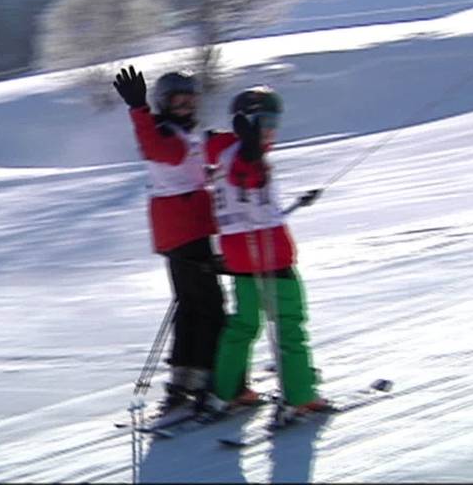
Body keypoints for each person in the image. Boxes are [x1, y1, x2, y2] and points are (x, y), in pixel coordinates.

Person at [199, 85, 327, 418]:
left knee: (243, 324)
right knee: (289, 323)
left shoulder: (224, 153)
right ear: (247, 121)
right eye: (265, 120)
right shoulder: (244, 155)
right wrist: (253, 154)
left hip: (240, 254)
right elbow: (249, 178)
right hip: (267, 253)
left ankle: (226, 390)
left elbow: (248, 202)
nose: (271, 129)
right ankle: (300, 396)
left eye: (275, 121)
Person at [113, 65, 226, 415]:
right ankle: (207, 376)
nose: (186, 107)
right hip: (183, 228)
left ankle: (183, 377)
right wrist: (138, 110)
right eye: (178, 102)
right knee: (210, 307)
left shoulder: (183, 133)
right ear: (164, 104)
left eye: (190, 101)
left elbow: (191, 160)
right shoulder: (164, 133)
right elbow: (155, 149)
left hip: (183, 228)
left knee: (191, 304)